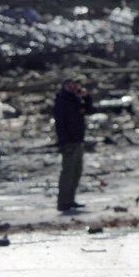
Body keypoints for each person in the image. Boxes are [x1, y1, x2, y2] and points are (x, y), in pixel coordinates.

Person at [53, 79, 94, 212]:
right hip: (69, 142)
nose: (73, 86)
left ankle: (70, 199)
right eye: (69, 84)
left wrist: (87, 97)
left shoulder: (75, 99)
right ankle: (63, 201)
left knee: (76, 171)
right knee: (68, 172)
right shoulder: (62, 101)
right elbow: (60, 123)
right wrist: (64, 141)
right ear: (64, 86)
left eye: (75, 84)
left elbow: (89, 109)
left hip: (78, 140)